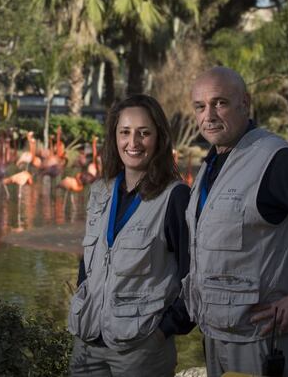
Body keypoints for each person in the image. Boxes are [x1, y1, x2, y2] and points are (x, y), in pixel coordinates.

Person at [183, 66, 288, 377]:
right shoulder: (213, 164)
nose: (209, 115)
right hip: (217, 333)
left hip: (262, 340)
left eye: (220, 103)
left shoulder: (276, 160)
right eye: (200, 106)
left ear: (245, 103)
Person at [68, 93, 194, 377]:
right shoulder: (100, 190)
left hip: (141, 350)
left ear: (159, 138)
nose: (133, 143)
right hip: (87, 344)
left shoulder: (175, 197)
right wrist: (84, 300)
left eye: (143, 133)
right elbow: (89, 260)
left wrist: (164, 331)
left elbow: (193, 274)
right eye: (125, 132)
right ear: (114, 137)